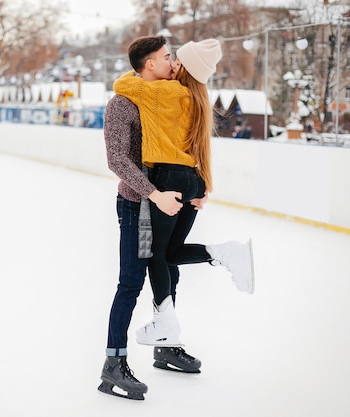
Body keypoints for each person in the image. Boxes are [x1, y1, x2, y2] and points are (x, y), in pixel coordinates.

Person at [113, 39, 254, 349]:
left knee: (155, 258)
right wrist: (205, 186)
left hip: (167, 178)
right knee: (170, 256)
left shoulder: (164, 92)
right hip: (192, 179)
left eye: (176, 60)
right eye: (168, 57)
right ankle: (222, 254)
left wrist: (148, 71)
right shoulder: (196, 97)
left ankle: (165, 323)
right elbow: (201, 146)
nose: (172, 63)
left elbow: (123, 83)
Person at [99, 35, 203, 401]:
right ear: (149, 66)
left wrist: (198, 185)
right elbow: (117, 160)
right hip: (137, 205)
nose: (172, 61)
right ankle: (114, 364)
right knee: (131, 281)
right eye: (165, 57)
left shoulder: (170, 97)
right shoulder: (123, 104)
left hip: (168, 198)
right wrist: (153, 193)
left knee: (169, 267)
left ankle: (165, 342)